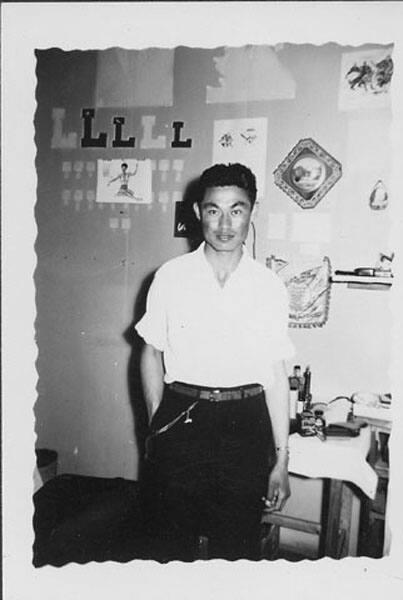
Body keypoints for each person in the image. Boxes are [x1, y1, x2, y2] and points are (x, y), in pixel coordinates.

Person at [135, 163, 295, 560]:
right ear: (197, 212)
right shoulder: (170, 277)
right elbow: (150, 351)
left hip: (246, 425)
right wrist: (157, 424)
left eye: (236, 210)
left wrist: (281, 460)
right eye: (213, 210)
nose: (225, 224)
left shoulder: (269, 286)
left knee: (236, 549)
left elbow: (276, 374)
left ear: (252, 211)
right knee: (169, 547)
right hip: (182, 420)